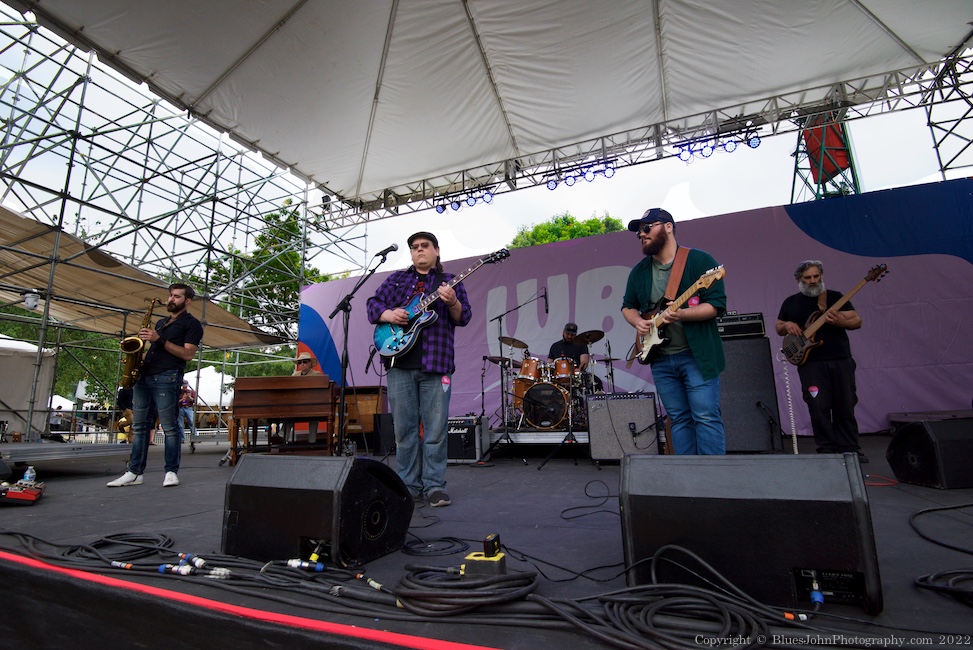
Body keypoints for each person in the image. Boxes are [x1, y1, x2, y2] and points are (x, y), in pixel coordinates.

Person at [366, 231, 472, 507]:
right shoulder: (397, 279)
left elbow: (464, 317)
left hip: (437, 365)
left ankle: (435, 486)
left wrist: (452, 302)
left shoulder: (449, 282)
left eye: (425, 246)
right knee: (404, 431)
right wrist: (390, 314)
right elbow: (372, 305)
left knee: (435, 430)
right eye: (414, 247)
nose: (419, 250)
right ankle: (408, 486)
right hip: (399, 363)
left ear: (437, 250)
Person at [621, 208, 727, 455]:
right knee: (678, 418)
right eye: (639, 232)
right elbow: (628, 306)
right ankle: (686, 479)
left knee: (706, 416)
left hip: (696, 355)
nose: (642, 235)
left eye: (647, 228)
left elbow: (715, 306)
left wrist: (681, 314)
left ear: (668, 227)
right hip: (662, 358)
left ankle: (715, 480)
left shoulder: (700, 262)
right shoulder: (639, 271)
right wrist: (637, 321)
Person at [108, 283, 204, 488]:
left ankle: (171, 472)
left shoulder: (192, 324)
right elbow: (157, 350)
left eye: (177, 296)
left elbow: (187, 354)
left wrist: (158, 339)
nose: (171, 299)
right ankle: (134, 472)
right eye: (170, 296)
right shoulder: (161, 322)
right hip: (145, 377)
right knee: (140, 426)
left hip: (167, 377)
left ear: (187, 301)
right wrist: (138, 357)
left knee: (170, 428)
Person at [776, 260, 865, 461]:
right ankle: (826, 448)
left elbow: (856, 320)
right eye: (808, 278)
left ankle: (850, 447)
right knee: (818, 405)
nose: (813, 281)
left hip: (840, 359)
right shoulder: (791, 302)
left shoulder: (835, 298)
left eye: (816, 276)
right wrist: (788, 324)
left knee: (845, 403)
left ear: (822, 276)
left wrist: (839, 321)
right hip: (810, 363)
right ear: (799, 280)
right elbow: (779, 326)